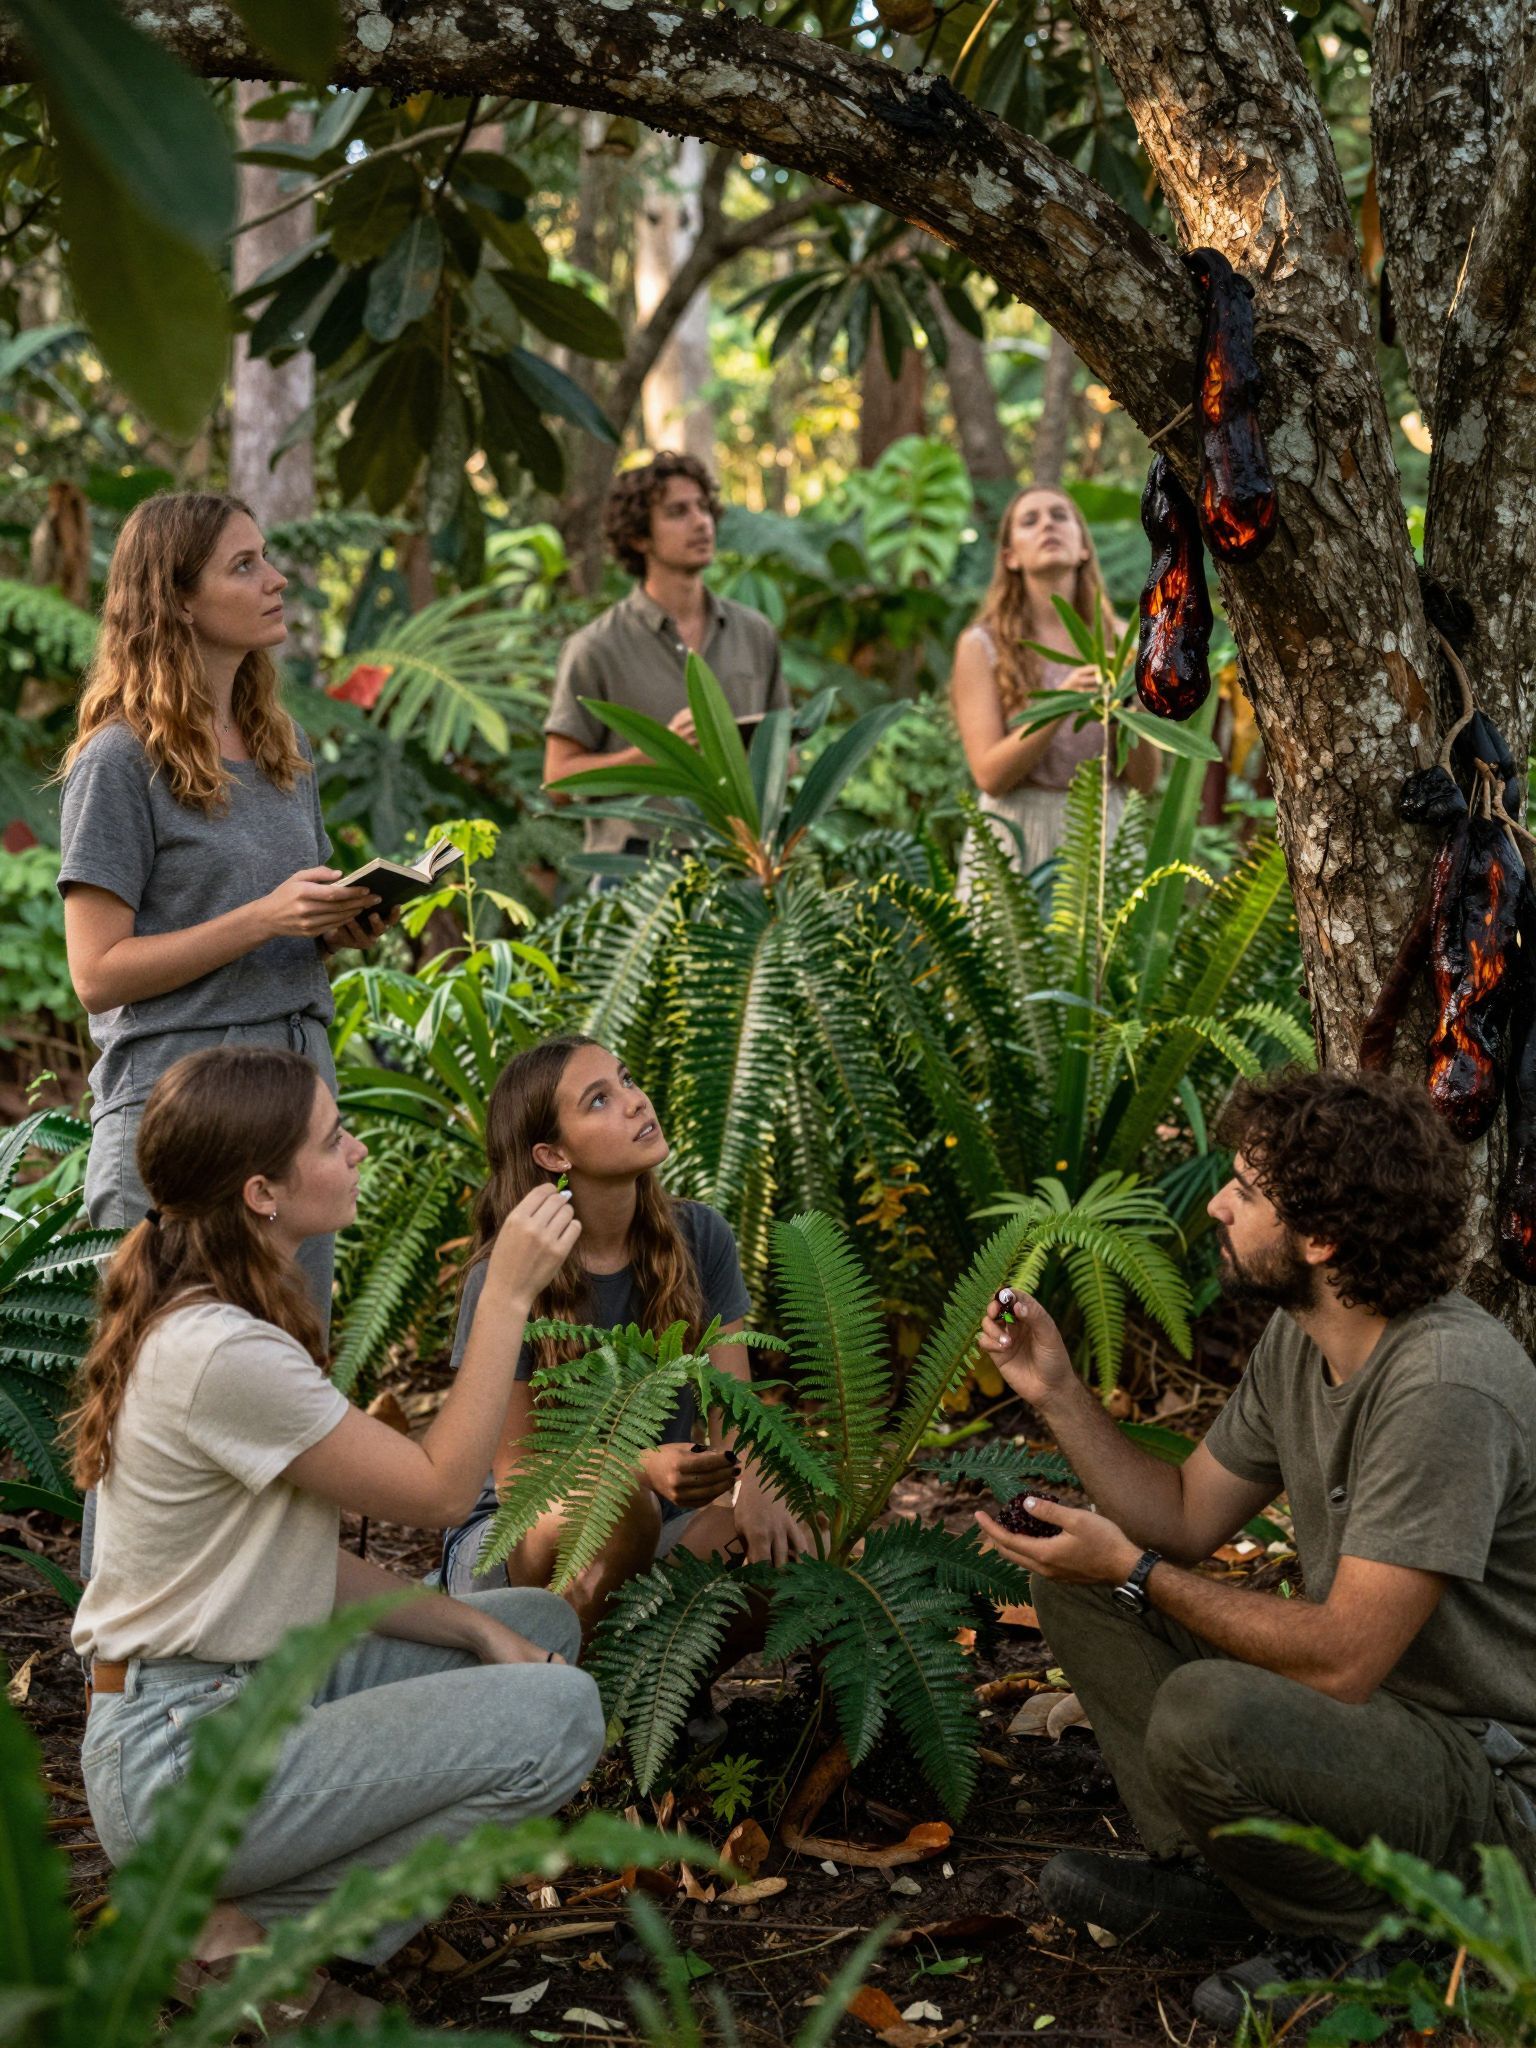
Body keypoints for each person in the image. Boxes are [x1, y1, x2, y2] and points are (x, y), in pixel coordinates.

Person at [974, 1068, 1536, 2035]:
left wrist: (1136, 1571)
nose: (1220, 1204)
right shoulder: (1303, 1337)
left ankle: (1382, 1934)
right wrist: (1058, 1392)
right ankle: (1234, 1879)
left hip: (1492, 1791)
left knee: (1207, 1703)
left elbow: (1347, 1656)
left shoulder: (1447, 1383)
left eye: (1246, 1187)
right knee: (1077, 1593)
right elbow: (1188, 1513)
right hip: (1372, 1736)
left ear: (1320, 1239)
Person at [68, 1046, 604, 2021]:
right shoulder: (222, 1351)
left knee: (532, 1627)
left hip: (238, 1695)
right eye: (332, 1138)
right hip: (183, 1755)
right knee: (560, 1713)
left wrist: (474, 1626)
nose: (357, 1148)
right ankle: (240, 1942)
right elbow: (447, 1492)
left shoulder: (225, 1317)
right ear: (262, 1191)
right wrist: (509, 1294)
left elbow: (299, 1566)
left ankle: (221, 1921)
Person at [57, 491, 392, 1329]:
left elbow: (281, 924)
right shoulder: (120, 759)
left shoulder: (284, 748)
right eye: (244, 566)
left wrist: (337, 927)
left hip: (296, 1092)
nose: (276, 580)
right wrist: (264, 918)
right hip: (182, 1103)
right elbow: (97, 974)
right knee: (156, 1373)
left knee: (291, 1372)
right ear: (174, 599)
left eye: (267, 558)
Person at [441, 1035, 816, 1632]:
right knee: (622, 1508)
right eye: (598, 1100)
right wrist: (639, 1466)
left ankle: (656, 1703)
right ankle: (566, 1706)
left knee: (802, 1542)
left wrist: (756, 1477)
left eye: (628, 1079)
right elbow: (519, 1478)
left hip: (655, 1522)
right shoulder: (510, 1273)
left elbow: (733, 1414)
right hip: (508, 1544)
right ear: (554, 1155)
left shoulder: (701, 1237)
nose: (636, 1102)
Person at [543, 454, 789, 869]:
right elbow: (558, 780)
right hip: (635, 877)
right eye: (678, 512)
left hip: (743, 867)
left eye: (703, 507)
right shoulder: (595, 647)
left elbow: (789, 751)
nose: (701, 522)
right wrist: (658, 751)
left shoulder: (755, 633)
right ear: (640, 536)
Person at [950, 483, 1157, 889]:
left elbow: (1145, 780)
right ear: (1009, 557)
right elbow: (990, 775)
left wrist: (1124, 711)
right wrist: (1063, 703)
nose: (1048, 524)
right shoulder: (981, 645)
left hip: (1103, 834)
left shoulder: (1126, 643)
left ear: (1083, 548)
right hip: (1014, 837)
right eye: (1030, 520)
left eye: (1060, 516)